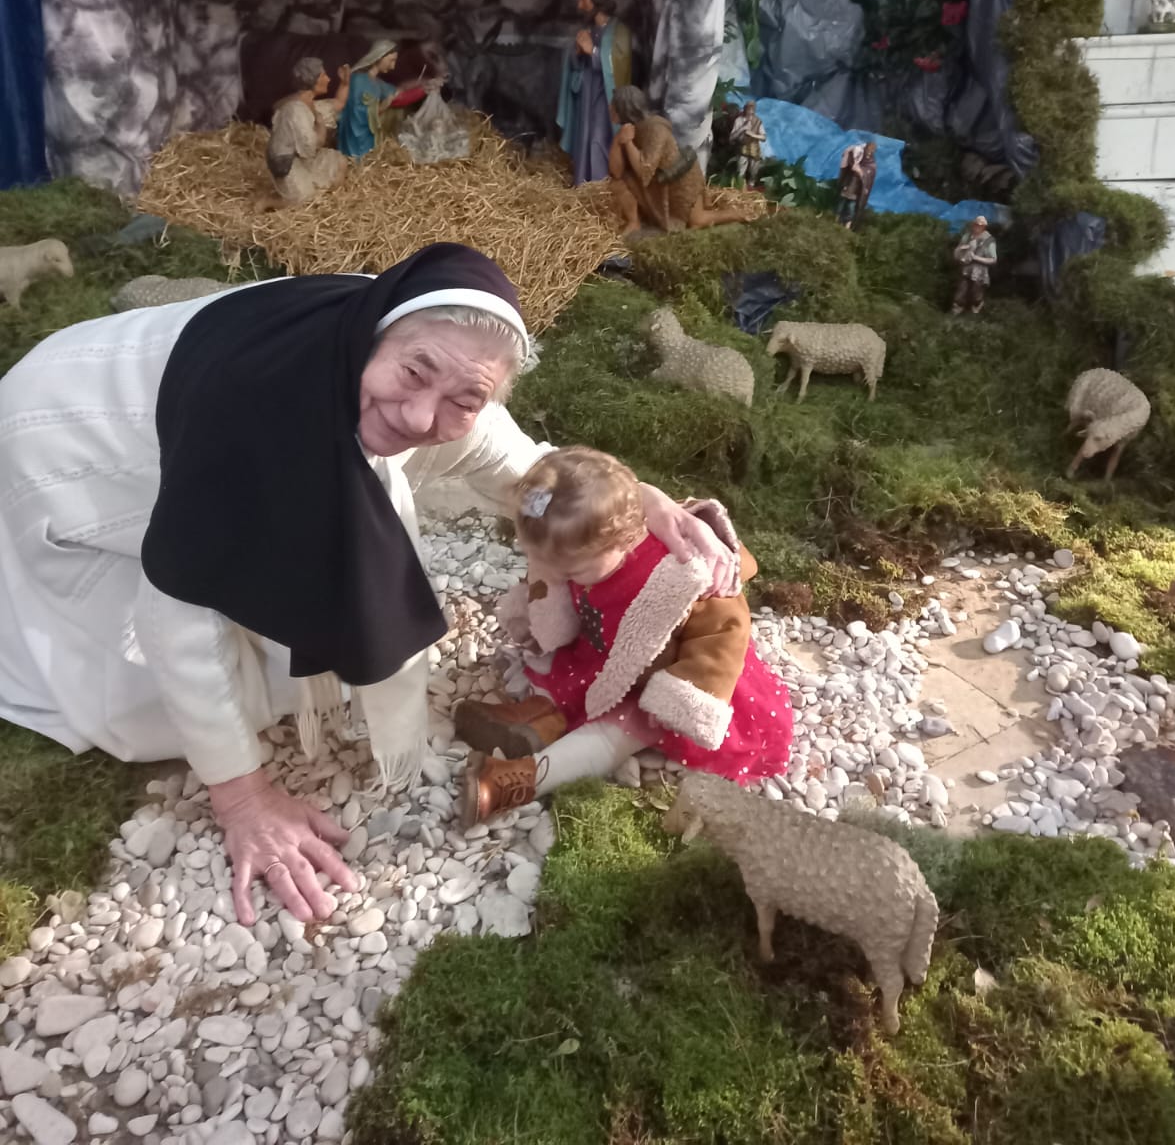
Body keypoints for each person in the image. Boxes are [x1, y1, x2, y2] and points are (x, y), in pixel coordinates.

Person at [0, 246, 736, 926]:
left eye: (464, 398)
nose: (420, 416)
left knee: (292, 646)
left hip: (175, 410)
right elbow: (177, 613)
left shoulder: (421, 333)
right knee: (152, 703)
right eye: (413, 375)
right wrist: (242, 798)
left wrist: (638, 501)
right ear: (377, 335)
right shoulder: (256, 421)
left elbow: (514, 463)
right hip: (61, 462)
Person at [456, 447, 794, 824]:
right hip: (605, 652)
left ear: (624, 538)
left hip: (662, 676)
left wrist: (689, 693)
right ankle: (536, 721)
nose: (561, 578)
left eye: (574, 572)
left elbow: (724, 631)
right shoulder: (583, 540)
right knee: (563, 674)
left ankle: (519, 781)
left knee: (622, 726)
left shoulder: (686, 574)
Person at [607, 87, 755, 235]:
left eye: (613, 105)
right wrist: (618, 140)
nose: (609, 108)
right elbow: (616, 172)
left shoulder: (655, 129)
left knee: (698, 221)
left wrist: (627, 142)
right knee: (617, 183)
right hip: (658, 185)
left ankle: (737, 214)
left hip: (680, 181)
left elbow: (644, 170)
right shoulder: (632, 129)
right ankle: (634, 222)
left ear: (624, 108)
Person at [556, 0, 633, 186]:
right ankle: (583, 183)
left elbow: (620, 64)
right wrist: (577, 53)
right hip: (586, 94)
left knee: (598, 137)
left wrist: (594, 52)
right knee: (584, 136)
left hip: (605, 96)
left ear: (595, 1)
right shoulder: (589, 30)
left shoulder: (620, 32)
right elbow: (575, 64)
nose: (579, 5)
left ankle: (600, 185)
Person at [266, 57, 350, 205]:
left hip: (303, 158)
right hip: (287, 163)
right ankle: (269, 201)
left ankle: (331, 203)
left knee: (340, 163)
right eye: (323, 75)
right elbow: (310, 148)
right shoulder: (296, 110)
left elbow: (338, 104)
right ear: (313, 80)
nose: (329, 79)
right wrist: (320, 126)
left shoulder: (310, 104)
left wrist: (345, 83)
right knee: (304, 200)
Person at [336, 39, 400, 159]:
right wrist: (381, 107)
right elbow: (355, 111)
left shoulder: (377, 82)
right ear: (379, 57)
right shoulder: (358, 79)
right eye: (391, 60)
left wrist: (422, 85)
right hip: (355, 139)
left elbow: (395, 91)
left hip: (369, 136)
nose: (393, 66)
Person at [951, 216, 997, 315]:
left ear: (984, 227)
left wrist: (976, 258)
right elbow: (957, 252)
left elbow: (993, 259)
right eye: (976, 225)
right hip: (966, 268)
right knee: (961, 290)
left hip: (980, 270)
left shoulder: (989, 240)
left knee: (977, 292)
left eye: (980, 225)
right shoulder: (967, 236)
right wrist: (961, 250)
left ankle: (977, 308)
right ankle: (957, 309)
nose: (977, 227)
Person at [837, 141, 877, 230]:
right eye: (868, 150)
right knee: (841, 204)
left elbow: (869, 173)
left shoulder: (871, 162)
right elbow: (849, 163)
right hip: (848, 186)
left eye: (871, 151)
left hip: (856, 190)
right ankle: (837, 219)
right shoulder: (857, 155)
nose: (869, 153)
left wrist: (861, 173)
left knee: (851, 207)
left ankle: (848, 224)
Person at [729, 99, 767, 186]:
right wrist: (742, 128)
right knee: (740, 172)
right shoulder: (739, 120)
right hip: (742, 149)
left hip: (754, 150)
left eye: (752, 109)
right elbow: (731, 138)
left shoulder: (758, 121)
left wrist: (753, 135)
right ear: (745, 109)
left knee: (753, 173)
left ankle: (751, 187)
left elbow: (764, 137)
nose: (750, 111)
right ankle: (739, 187)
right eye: (748, 109)